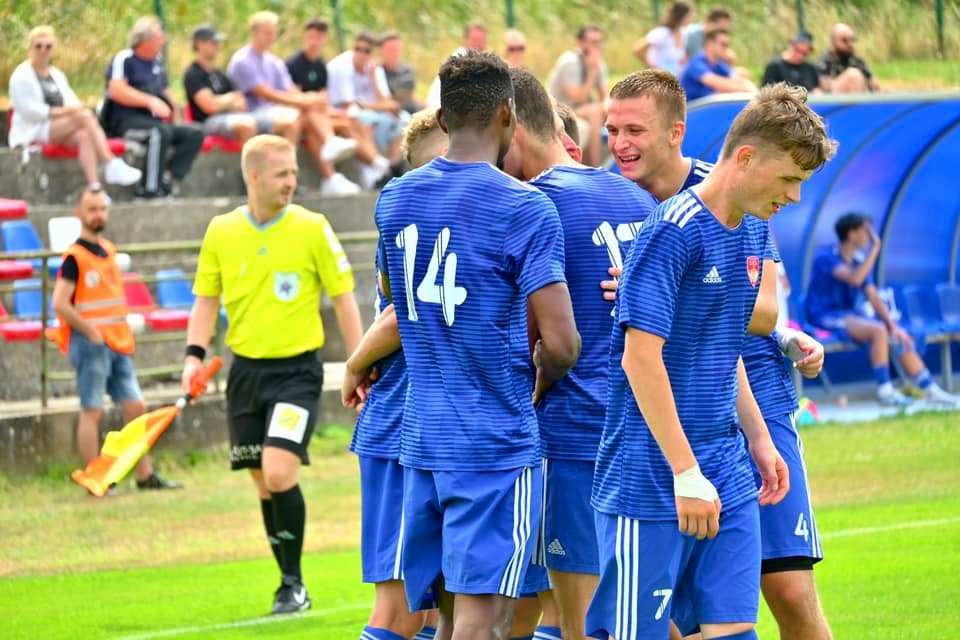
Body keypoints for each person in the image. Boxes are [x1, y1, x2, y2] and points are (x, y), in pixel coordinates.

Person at [343, 51, 581, 638]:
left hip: (421, 441)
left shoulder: (395, 201)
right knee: (483, 618)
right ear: (508, 114)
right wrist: (538, 383)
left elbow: (401, 306)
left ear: (444, 120)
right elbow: (562, 342)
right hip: (494, 442)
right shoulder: (525, 206)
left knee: (441, 618)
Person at [587, 83, 836, 640]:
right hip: (649, 474)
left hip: (724, 462)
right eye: (791, 180)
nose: (794, 198)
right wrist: (685, 471)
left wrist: (759, 439)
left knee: (733, 629)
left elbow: (727, 348)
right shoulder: (670, 233)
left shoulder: (748, 227)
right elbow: (639, 360)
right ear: (745, 158)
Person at [503, 66, 658, 640]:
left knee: (582, 625)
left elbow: (538, 343)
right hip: (641, 430)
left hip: (572, 439)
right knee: (639, 613)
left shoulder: (532, 209)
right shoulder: (631, 196)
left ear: (510, 129)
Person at [181, 134, 363, 615]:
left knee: (281, 472)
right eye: (282, 173)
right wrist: (192, 357)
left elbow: (344, 296)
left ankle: (294, 582)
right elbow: (205, 300)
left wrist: (360, 361)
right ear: (254, 177)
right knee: (263, 483)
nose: (292, 182)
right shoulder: (221, 231)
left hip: (296, 373)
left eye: (294, 173)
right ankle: (289, 584)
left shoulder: (312, 227)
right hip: (244, 374)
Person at [48, 187, 181, 493]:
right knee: (91, 410)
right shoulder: (75, 257)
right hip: (91, 343)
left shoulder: (108, 250)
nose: (98, 215)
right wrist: (91, 331)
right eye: (92, 209)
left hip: (117, 342)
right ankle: (96, 479)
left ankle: (145, 475)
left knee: (136, 407)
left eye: (102, 209)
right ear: (79, 213)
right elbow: (60, 303)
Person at [805, 213, 959, 407]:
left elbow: (873, 295)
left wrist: (893, 326)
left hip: (850, 316)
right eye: (866, 230)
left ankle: (930, 389)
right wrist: (876, 248)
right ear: (851, 234)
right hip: (824, 316)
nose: (870, 236)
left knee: (896, 333)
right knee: (878, 330)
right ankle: (885, 391)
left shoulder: (860, 260)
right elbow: (855, 279)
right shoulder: (826, 257)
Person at [227, 11, 361, 196]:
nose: (272, 37)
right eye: (267, 32)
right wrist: (306, 102)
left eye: (273, 32)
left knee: (310, 117)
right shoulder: (242, 60)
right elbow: (267, 94)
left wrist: (309, 100)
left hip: (277, 111)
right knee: (298, 118)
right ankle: (312, 163)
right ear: (255, 32)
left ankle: (330, 176)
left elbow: (290, 91)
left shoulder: (273, 61)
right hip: (255, 112)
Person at [9, 26, 141, 190]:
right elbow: (29, 111)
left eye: (48, 46)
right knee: (84, 117)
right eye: (38, 46)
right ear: (30, 48)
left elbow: (72, 101)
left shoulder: (56, 74)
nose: (43, 50)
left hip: (56, 126)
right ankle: (110, 161)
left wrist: (74, 110)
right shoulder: (21, 75)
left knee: (83, 135)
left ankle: (95, 188)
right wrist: (64, 112)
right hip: (32, 129)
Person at [286, 18, 395, 191]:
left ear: (325, 39)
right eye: (311, 37)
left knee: (348, 121)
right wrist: (313, 100)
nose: (314, 42)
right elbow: (294, 97)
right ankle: (370, 166)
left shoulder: (321, 65)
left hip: (319, 114)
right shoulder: (294, 63)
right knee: (315, 118)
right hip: (300, 115)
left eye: (318, 37)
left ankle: (373, 165)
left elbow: (324, 98)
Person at [102, 16, 204, 198]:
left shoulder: (157, 63)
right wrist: (148, 101)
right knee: (158, 133)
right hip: (125, 123)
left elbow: (166, 92)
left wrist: (175, 111)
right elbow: (116, 89)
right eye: (160, 36)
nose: (164, 40)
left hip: (154, 122)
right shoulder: (125, 59)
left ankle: (167, 176)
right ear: (146, 39)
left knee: (195, 133)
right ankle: (149, 189)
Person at [184, 25, 292, 143]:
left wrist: (221, 101)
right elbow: (209, 106)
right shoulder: (193, 74)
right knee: (247, 125)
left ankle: (283, 161)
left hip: (236, 116)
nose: (217, 46)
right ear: (199, 44)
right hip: (209, 121)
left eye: (218, 42)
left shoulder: (219, 73)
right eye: (213, 42)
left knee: (287, 124)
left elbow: (241, 102)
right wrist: (229, 100)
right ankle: (250, 162)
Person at [326, 31, 405, 163]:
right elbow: (349, 104)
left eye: (366, 51)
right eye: (358, 49)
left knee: (404, 119)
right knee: (369, 119)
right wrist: (378, 106)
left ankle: (393, 164)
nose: (361, 54)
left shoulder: (375, 69)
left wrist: (373, 79)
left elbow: (388, 102)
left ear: (373, 53)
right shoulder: (343, 66)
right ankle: (378, 163)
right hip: (346, 111)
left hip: (370, 110)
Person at [547, 25, 609, 167]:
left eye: (599, 42)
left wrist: (607, 107)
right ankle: (595, 167)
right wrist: (593, 70)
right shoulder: (570, 62)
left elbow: (605, 95)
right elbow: (577, 97)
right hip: (561, 111)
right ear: (581, 42)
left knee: (612, 111)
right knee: (594, 112)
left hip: (580, 110)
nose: (597, 46)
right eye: (593, 42)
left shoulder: (599, 63)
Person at [680, 28, 756, 102]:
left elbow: (738, 79)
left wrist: (747, 87)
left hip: (706, 109)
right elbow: (718, 83)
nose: (727, 48)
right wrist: (747, 90)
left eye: (728, 45)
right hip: (689, 110)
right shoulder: (696, 63)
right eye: (724, 44)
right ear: (710, 44)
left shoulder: (718, 64)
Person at [425, 21, 489, 109]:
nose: (478, 44)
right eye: (474, 40)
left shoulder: (480, 61)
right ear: (465, 40)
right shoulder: (460, 61)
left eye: (481, 40)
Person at [633, 1, 695, 77]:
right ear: (681, 15)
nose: (693, 17)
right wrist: (653, 68)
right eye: (690, 15)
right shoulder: (662, 33)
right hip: (659, 80)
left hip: (676, 80)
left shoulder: (685, 32)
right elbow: (637, 49)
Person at [818, 24, 879, 93]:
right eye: (844, 40)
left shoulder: (857, 61)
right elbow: (824, 88)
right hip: (835, 101)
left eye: (852, 40)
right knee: (853, 75)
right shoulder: (825, 62)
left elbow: (874, 86)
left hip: (857, 99)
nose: (850, 44)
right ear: (833, 41)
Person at [379, 31, 424, 114]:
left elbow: (409, 94)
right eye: (390, 49)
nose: (394, 53)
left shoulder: (407, 70)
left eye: (396, 48)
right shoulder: (377, 73)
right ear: (381, 50)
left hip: (413, 109)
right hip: (391, 114)